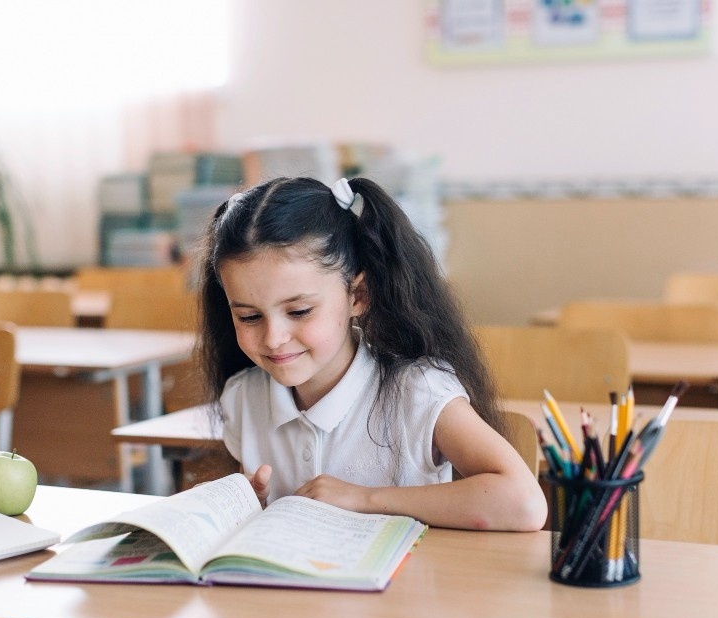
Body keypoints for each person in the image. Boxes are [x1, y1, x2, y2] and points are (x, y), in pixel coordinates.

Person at [197, 176, 546, 531]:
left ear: (358, 295)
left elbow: (524, 504)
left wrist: (363, 499)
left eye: (299, 311)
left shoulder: (417, 392)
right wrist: (245, 507)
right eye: (249, 317)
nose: (274, 338)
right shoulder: (243, 397)